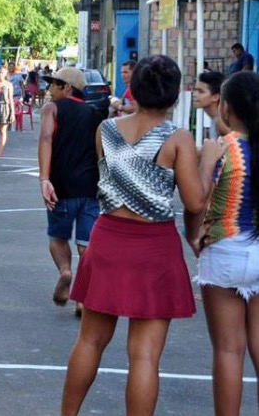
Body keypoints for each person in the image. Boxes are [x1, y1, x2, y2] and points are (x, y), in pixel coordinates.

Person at [61, 55, 215, 416]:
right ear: (175, 95)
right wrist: (206, 160)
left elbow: (111, 176)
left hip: (108, 237)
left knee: (89, 341)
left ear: (136, 89)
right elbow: (194, 201)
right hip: (153, 248)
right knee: (144, 356)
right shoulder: (177, 138)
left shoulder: (107, 128)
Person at [191, 71, 259, 416]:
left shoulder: (220, 149)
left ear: (227, 108)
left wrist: (194, 232)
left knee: (229, 350)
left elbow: (197, 200)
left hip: (225, 250)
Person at [37, 67, 102, 317]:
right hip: (90, 187)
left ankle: (65, 271)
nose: (49, 89)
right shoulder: (97, 114)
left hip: (60, 187)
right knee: (86, 245)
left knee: (57, 238)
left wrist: (44, 178)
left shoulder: (52, 109)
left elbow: (45, 139)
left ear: (66, 87)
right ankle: (82, 299)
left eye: (53, 84)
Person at [193, 70, 230, 140]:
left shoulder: (220, 122)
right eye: (195, 90)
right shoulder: (216, 119)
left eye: (201, 91)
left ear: (215, 97)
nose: (194, 94)